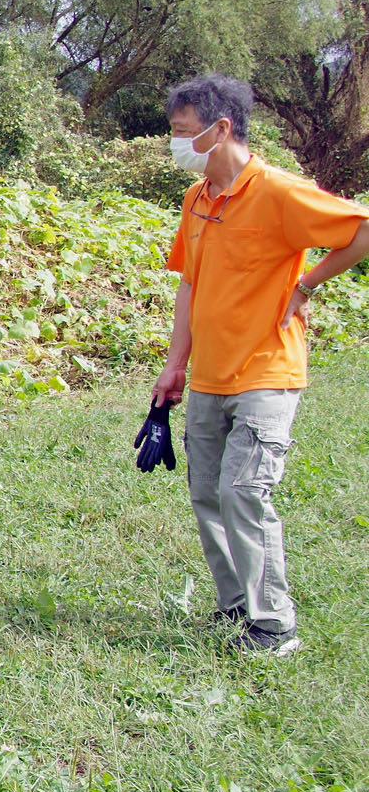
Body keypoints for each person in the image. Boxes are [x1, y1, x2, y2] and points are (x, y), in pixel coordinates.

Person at [150, 74, 369, 656]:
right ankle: (235, 611)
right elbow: (190, 288)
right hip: (209, 377)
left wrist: (308, 284)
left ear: (221, 130)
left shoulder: (277, 190)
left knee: (245, 492)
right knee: (209, 495)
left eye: (182, 133)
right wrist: (176, 366)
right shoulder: (197, 200)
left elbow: (362, 228)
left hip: (267, 373)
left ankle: (274, 626)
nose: (175, 144)